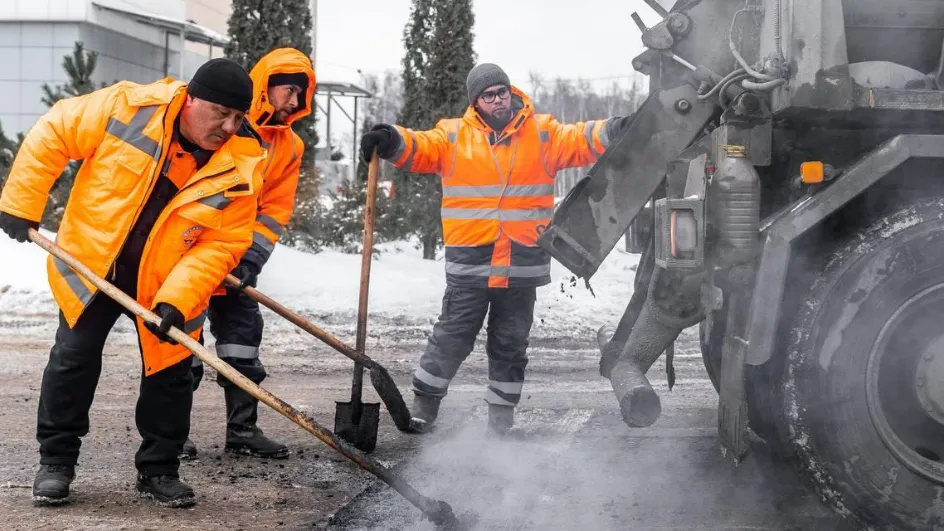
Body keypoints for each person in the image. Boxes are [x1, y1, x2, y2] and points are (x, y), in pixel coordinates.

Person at [0, 58, 266, 508]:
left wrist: (178, 300)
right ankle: (56, 463)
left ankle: (159, 469)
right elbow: (55, 131)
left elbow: (219, 246)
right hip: (94, 264)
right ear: (191, 98)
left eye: (238, 118)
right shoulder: (130, 106)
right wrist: (21, 201)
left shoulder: (242, 165)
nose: (229, 126)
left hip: (167, 281)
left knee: (172, 372)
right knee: (73, 358)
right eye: (220, 112)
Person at [360, 63, 630, 436]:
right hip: (471, 260)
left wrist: (617, 128)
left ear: (510, 92)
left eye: (502, 91)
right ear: (476, 102)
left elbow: (581, 138)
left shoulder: (542, 133)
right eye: (489, 94)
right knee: (453, 335)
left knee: (510, 343)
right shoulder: (453, 136)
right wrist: (390, 139)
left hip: (521, 263)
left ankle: (501, 420)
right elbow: (420, 147)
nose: (498, 98)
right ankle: (424, 406)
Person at [185, 48, 316, 461]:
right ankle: (172, 434)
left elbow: (275, 210)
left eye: (300, 94)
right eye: (288, 91)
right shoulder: (224, 129)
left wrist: (249, 259)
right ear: (265, 88)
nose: (294, 102)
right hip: (190, 259)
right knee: (181, 347)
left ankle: (242, 430)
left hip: (239, 261)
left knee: (242, 343)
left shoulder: (290, 146)